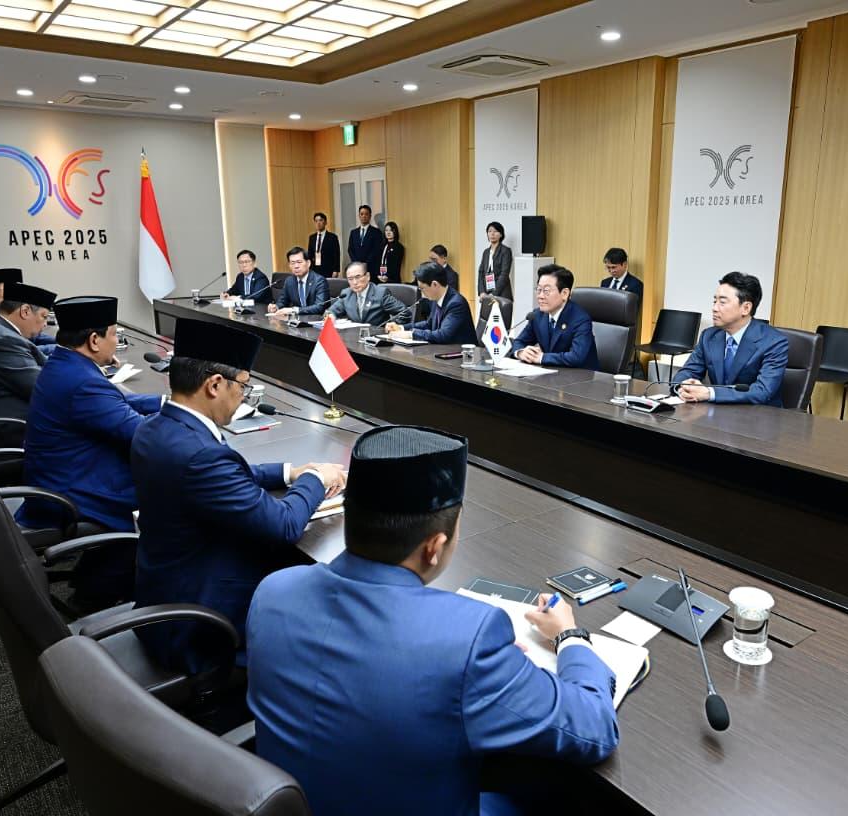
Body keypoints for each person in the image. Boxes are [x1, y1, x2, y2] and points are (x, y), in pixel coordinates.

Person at [247, 425, 619, 816]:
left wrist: (480, 665)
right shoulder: (466, 640)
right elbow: (594, 728)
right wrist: (570, 636)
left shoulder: (272, 592)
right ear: (435, 547)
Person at [131, 318, 347, 672]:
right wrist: (316, 478)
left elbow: (221, 475)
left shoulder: (156, 427)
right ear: (215, 384)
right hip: (200, 620)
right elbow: (284, 525)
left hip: (166, 588)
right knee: (325, 594)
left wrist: (287, 471)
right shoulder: (201, 455)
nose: (244, 396)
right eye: (244, 386)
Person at [17, 296, 160, 611]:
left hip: (57, 475)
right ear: (94, 340)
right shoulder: (81, 380)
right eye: (114, 334)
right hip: (70, 490)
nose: (115, 341)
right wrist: (189, 420)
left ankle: (96, 577)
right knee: (163, 493)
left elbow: (116, 404)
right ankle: (105, 592)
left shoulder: (65, 363)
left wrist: (166, 403)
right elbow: (141, 434)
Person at [0, 281, 57, 450]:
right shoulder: (2, 340)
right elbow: (46, 389)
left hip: (9, 417)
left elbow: (39, 357)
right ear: (25, 311)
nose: (45, 324)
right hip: (6, 434)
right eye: (44, 316)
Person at [673, 272, 788, 405]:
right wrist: (683, 387)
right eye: (714, 301)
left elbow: (762, 391)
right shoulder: (709, 336)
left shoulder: (773, 342)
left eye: (722, 302)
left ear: (745, 308)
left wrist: (710, 393)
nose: (714, 308)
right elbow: (688, 371)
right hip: (717, 414)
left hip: (758, 418)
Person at [512, 265, 599, 369]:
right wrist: (521, 352)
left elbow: (576, 357)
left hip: (581, 379)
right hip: (550, 375)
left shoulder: (580, 319)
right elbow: (519, 341)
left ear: (564, 294)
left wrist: (542, 358)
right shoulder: (537, 315)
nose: (540, 296)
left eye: (546, 291)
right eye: (538, 289)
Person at [0, 267, 55, 353]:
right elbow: (21, 349)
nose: (18, 295)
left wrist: (60, 341)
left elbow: (32, 339)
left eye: (19, 290)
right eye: (10, 290)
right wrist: (59, 348)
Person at [386, 262, 475, 346]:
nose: (421, 293)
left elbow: (443, 335)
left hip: (461, 355)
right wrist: (401, 328)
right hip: (442, 351)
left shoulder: (456, 303)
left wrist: (411, 334)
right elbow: (429, 324)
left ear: (434, 284)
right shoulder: (435, 298)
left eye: (422, 288)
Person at [328, 262, 412, 326]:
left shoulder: (380, 293)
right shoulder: (346, 293)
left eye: (358, 277)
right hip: (353, 338)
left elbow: (405, 313)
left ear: (368, 276)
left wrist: (391, 326)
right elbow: (331, 311)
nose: (355, 282)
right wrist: (331, 316)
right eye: (350, 279)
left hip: (375, 339)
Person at [268, 246, 328, 317]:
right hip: (297, 321)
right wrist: (276, 307)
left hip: (316, 320)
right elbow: (282, 301)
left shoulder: (319, 281)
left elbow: (319, 307)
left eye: (299, 262)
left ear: (308, 263)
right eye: (292, 263)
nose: (296, 266)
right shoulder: (289, 281)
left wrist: (294, 310)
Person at [477, 221, 513, 300]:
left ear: (501, 234)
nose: (492, 234)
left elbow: (504, 274)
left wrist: (493, 294)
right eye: (489, 231)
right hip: (486, 293)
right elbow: (481, 272)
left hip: (502, 293)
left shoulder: (506, 251)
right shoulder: (486, 252)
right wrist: (482, 292)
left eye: (495, 231)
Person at [347, 204, 381, 269]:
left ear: (370, 216)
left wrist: (366, 263)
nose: (364, 216)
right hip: (356, 267)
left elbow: (376, 250)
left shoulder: (376, 232)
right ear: (359, 216)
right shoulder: (353, 232)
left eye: (366, 214)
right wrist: (356, 263)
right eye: (361, 214)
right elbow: (350, 249)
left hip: (371, 267)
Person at [310, 212, 341, 278]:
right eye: (316, 221)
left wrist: (336, 270)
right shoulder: (312, 237)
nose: (318, 223)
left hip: (328, 269)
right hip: (315, 269)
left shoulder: (332, 237)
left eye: (320, 220)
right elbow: (310, 255)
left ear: (325, 222)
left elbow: (336, 254)